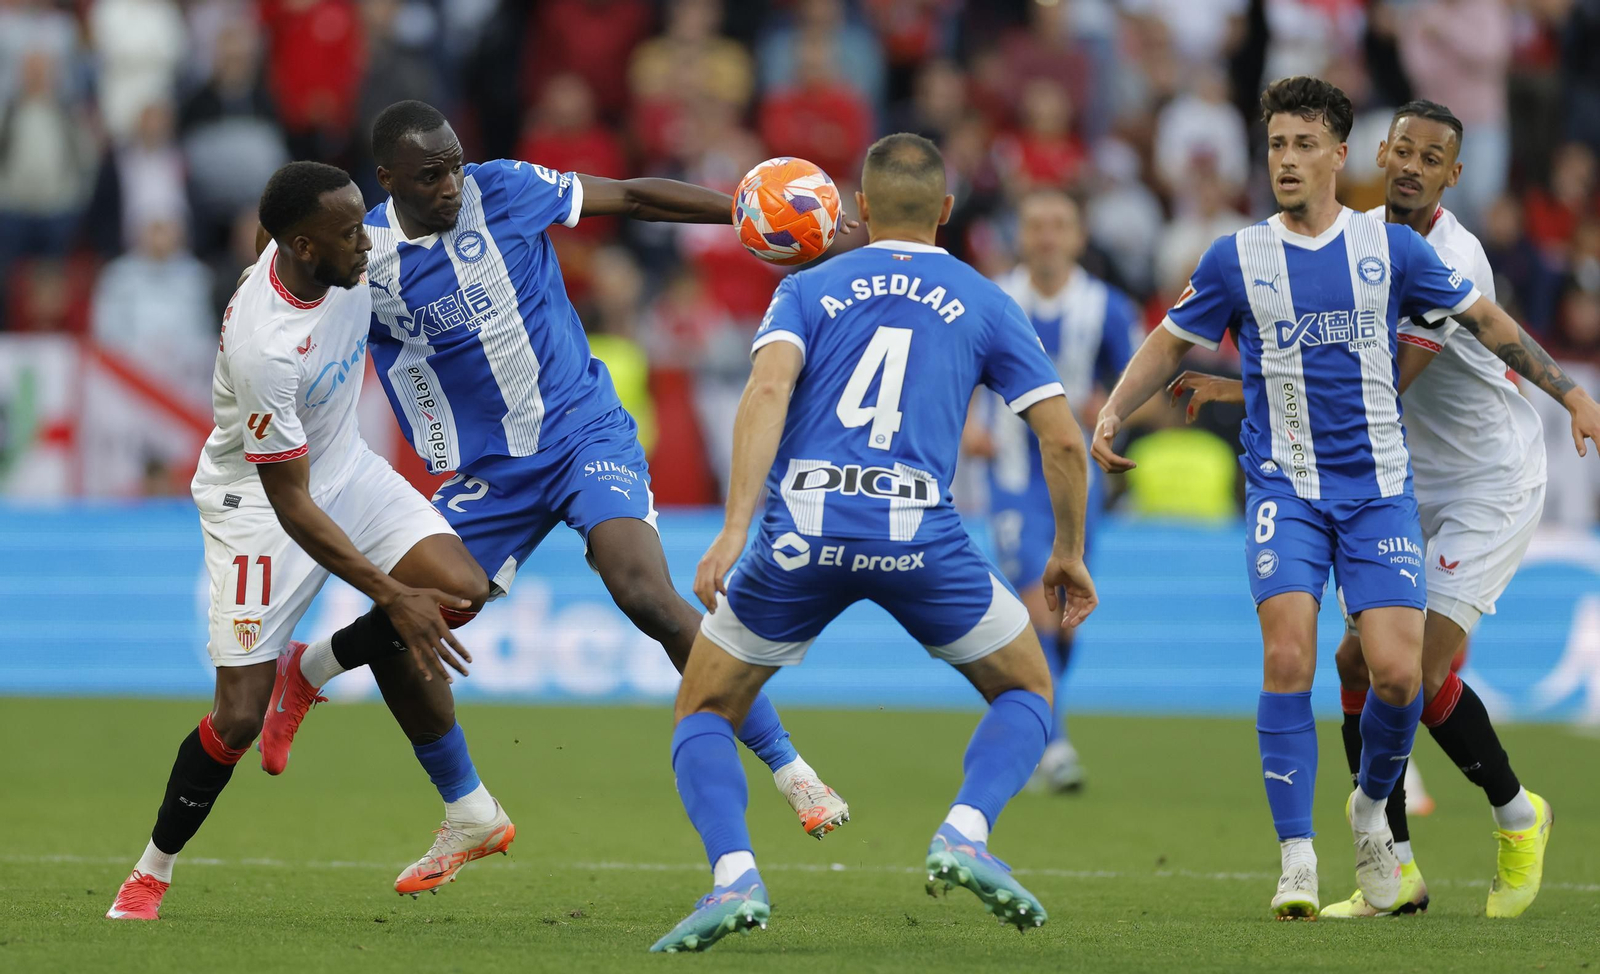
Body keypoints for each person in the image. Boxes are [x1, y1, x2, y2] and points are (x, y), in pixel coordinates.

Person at [258, 100, 849, 843]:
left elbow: (631, 196)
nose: (452, 185)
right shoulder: (362, 258)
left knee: (646, 594)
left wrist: (746, 215)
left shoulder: (503, 190)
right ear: (388, 180)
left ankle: (794, 774)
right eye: (432, 175)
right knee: (418, 615)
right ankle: (342, 701)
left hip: (582, 429)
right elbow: (283, 272)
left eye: (456, 166)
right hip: (493, 469)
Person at [1091, 77, 1600, 919]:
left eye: (1430, 158)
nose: (1410, 166)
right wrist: (1234, 386)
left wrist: (1570, 394)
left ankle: (1516, 814)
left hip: (1481, 480)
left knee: (1417, 669)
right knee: (1347, 662)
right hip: (1389, 468)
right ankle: (1387, 865)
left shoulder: (1442, 255)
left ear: (1453, 174)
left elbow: (1379, 380)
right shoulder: (1313, 243)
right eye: (1400, 149)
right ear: (1374, 154)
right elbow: (1309, 363)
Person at [651, 133, 1098, 953]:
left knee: (706, 707)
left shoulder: (806, 287)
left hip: (803, 534)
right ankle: (964, 831)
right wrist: (1066, 552)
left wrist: (735, 529)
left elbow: (767, 390)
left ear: (858, 207)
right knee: (1029, 692)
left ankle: (734, 877)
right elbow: (1065, 442)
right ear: (948, 211)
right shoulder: (987, 300)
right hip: (921, 536)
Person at [107, 162, 511, 920]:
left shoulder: (330, 255)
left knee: (459, 592)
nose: (368, 241)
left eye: (364, 220)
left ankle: (313, 668)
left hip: (346, 466)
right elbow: (290, 505)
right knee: (236, 718)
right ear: (299, 246)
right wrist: (389, 594)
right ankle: (151, 871)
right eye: (350, 232)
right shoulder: (267, 348)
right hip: (259, 506)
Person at [963, 188, 1136, 791]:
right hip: (1012, 480)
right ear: (1021, 235)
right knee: (1037, 606)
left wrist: (1111, 411)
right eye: (1035, 224)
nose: (1046, 236)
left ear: (1078, 237)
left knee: (1065, 618)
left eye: (1058, 225)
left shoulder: (1105, 307)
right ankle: (1054, 746)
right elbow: (959, 368)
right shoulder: (992, 299)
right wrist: (966, 425)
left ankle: (1030, 715)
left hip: (1076, 484)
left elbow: (1132, 379)